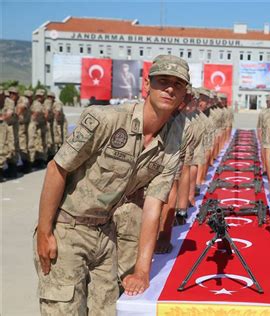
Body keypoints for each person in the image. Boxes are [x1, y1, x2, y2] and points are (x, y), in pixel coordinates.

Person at [33, 55, 190, 314]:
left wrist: (142, 270)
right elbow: (57, 168)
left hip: (106, 234)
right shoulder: (105, 119)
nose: (170, 88)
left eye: (178, 84)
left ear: (184, 93)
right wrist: (45, 232)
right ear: (147, 86)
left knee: (107, 311)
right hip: (67, 229)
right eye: (163, 81)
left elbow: (154, 204)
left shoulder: (174, 141)